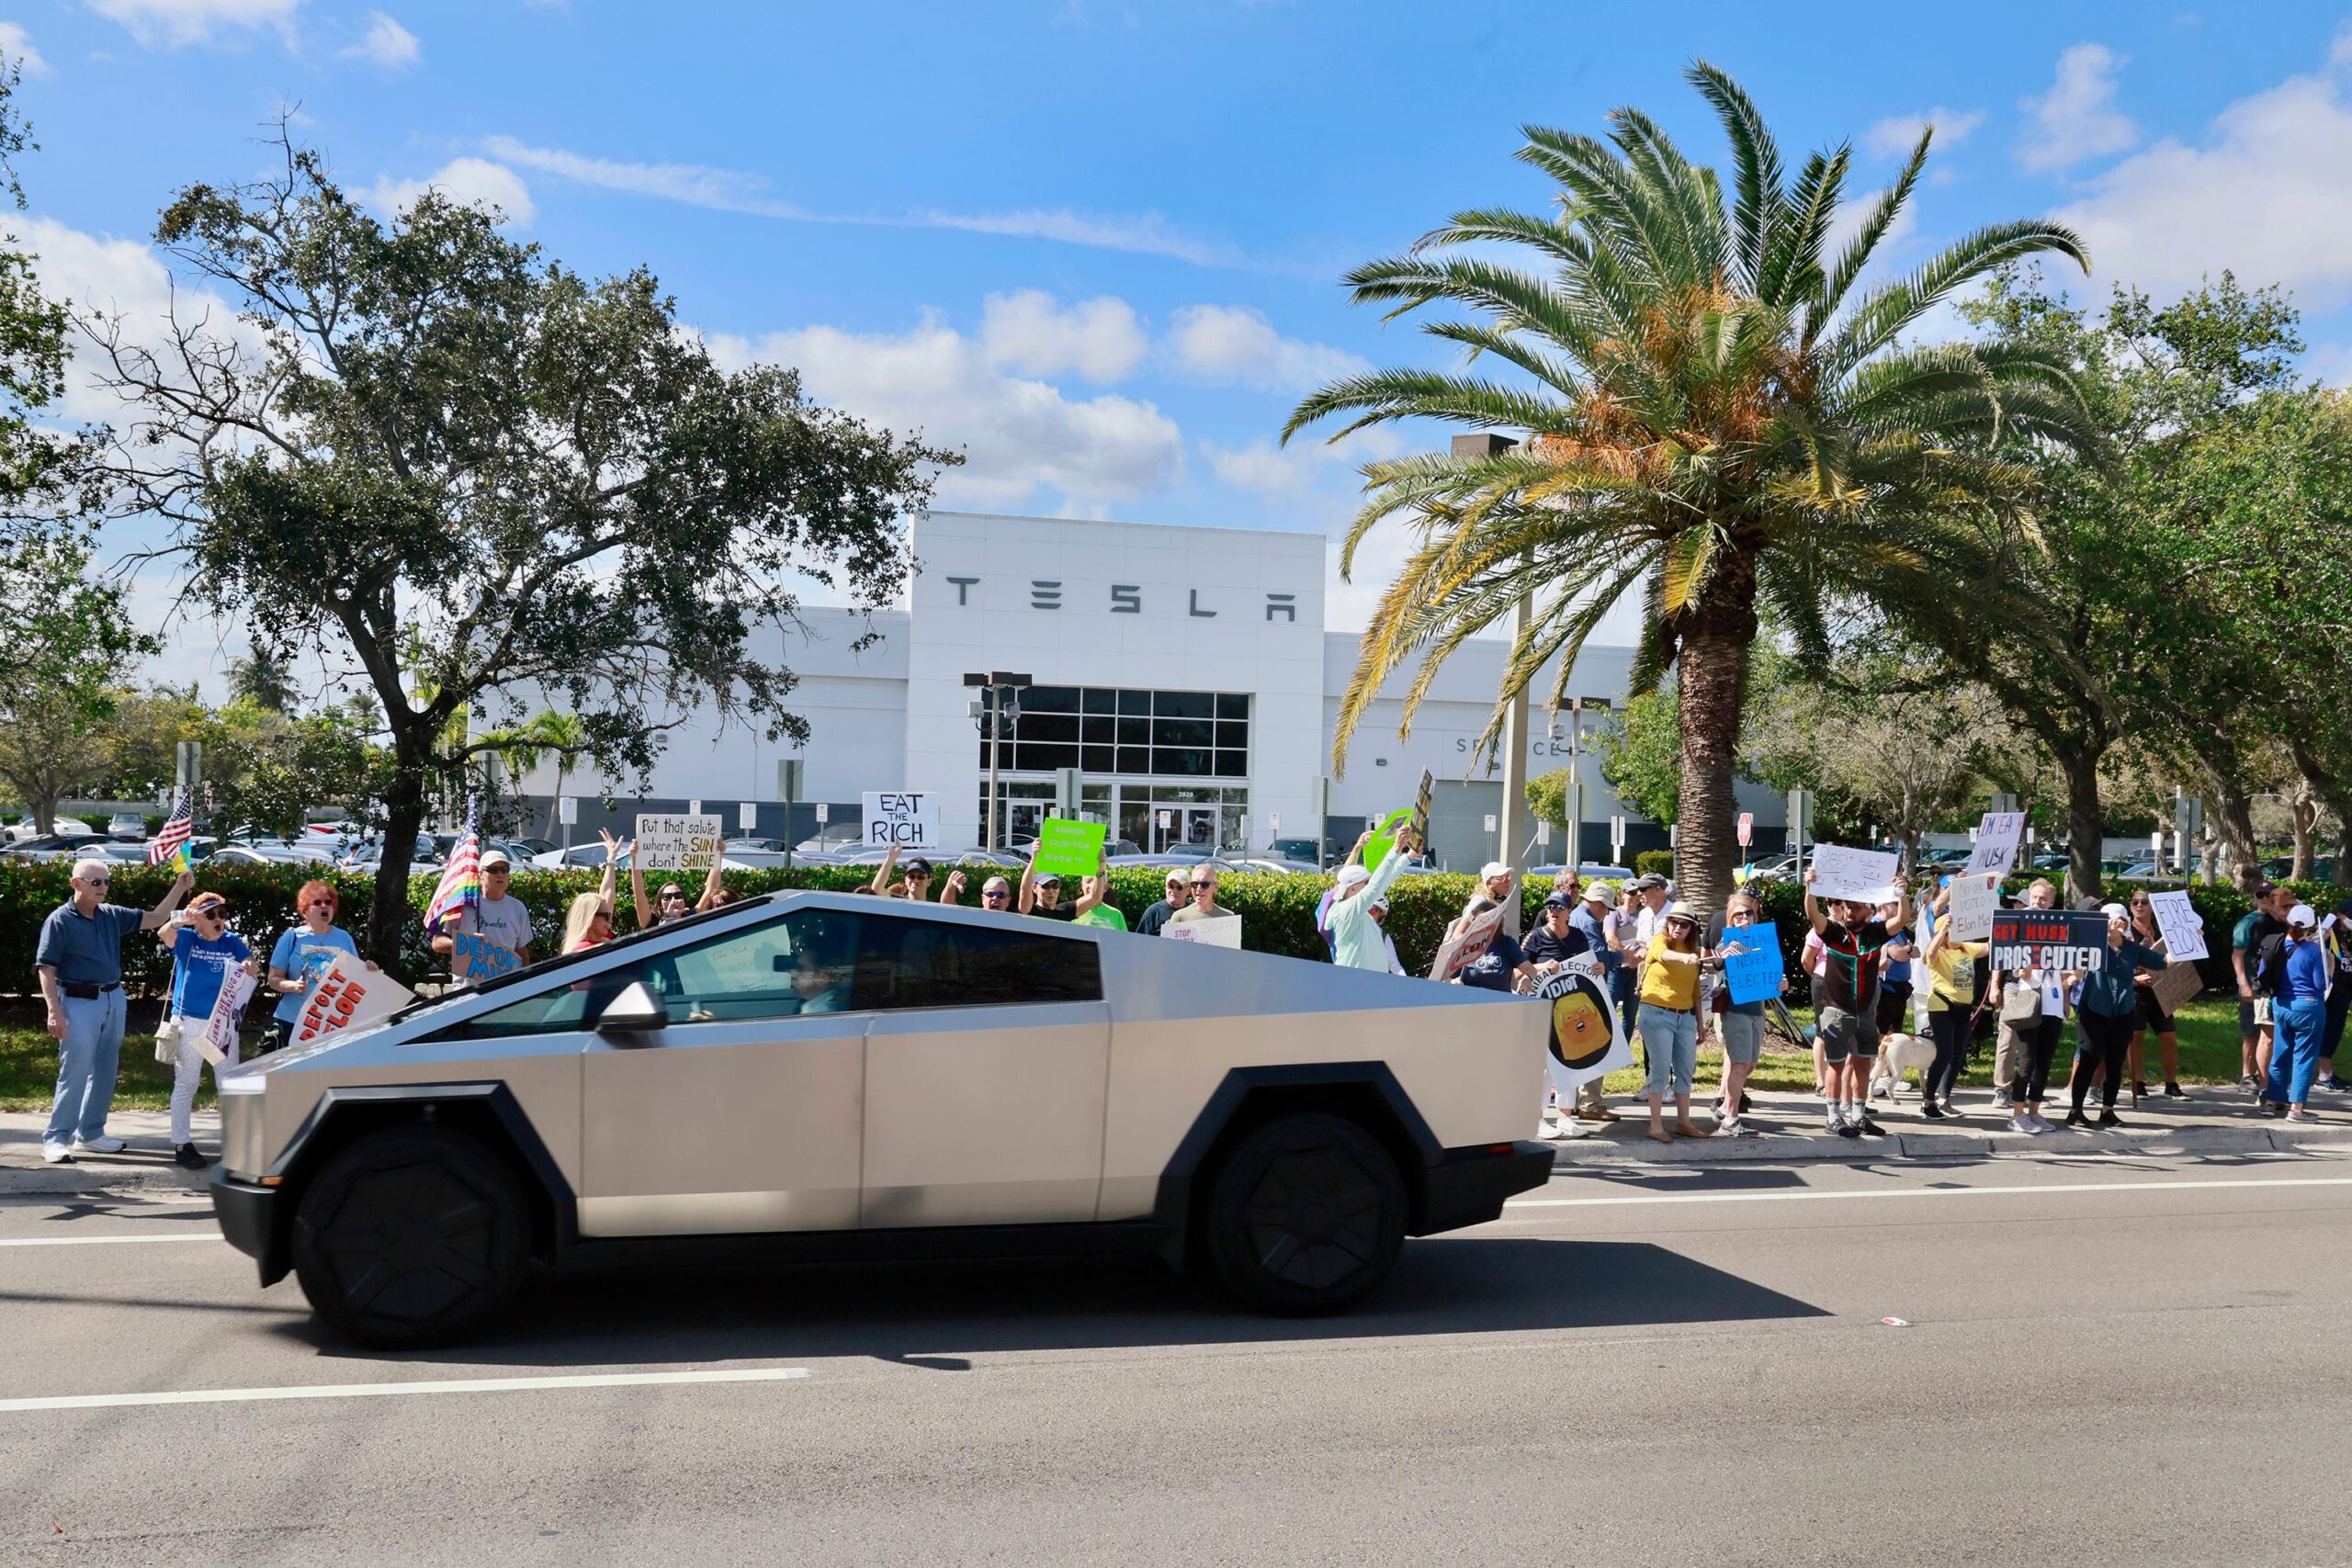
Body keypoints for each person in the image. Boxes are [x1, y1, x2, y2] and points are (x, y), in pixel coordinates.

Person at [34, 859, 196, 1165]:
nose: (103, 888)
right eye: (96, 882)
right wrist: (53, 1010)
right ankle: (55, 1138)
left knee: (106, 1070)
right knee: (76, 1071)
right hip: (78, 1001)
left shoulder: (110, 914)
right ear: (76, 884)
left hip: (113, 997)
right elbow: (46, 968)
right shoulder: (60, 920)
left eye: (106, 882)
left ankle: (91, 1133)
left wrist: (179, 886)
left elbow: (157, 918)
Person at [153, 891, 261, 1168]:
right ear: (197, 918)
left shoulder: (231, 941)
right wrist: (180, 921)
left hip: (223, 1023)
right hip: (189, 1022)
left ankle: (235, 1145)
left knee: (228, 1083)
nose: (219, 920)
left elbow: (254, 966)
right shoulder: (187, 938)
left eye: (222, 914)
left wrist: (250, 965)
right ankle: (182, 1144)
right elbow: (164, 933)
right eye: (211, 914)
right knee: (187, 1083)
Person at [1802, 867, 1906, 1139]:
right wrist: (1810, 887)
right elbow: (1813, 915)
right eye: (1847, 907)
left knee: (1863, 1064)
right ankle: (1833, 1117)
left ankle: (1859, 1115)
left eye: (1855, 908)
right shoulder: (1834, 932)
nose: (1849, 911)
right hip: (1836, 1010)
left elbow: (1902, 918)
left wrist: (1902, 893)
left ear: (1868, 911)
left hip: (1865, 1013)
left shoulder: (1875, 933)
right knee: (1835, 1065)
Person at [2064, 902, 2168, 1130]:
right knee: (2089, 1058)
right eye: (2111, 920)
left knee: (2115, 1062)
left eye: (2121, 920)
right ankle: (2075, 1111)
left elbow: (2160, 963)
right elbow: (2073, 950)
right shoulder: (2094, 947)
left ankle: (2107, 1110)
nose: (2116, 924)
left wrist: (2184, 942)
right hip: (2093, 1010)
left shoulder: (2131, 949)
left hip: (2122, 1012)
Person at [266, 881, 379, 1054]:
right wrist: (293, 986)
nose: (324, 906)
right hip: (294, 1020)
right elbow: (273, 980)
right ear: (305, 910)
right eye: (317, 903)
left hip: (331, 1022)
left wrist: (368, 968)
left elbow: (356, 977)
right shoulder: (292, 937)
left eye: (328, 902)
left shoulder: (344, 937)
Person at [1706, 890, 1783, 1139]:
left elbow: (1772, 973)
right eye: (1737, 914)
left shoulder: (1763, 939)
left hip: (1756, 1010)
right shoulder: (1730, 940)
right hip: (1736, 1009)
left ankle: (1726, 1108)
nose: (1743, 917)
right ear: (1731, 917)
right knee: (1739, 1065)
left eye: (1748, 912)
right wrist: (1725, 951)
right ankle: (1730, 1117)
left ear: (1755, 913)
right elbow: (1715, 961)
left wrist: (1782, 983)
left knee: (1748, 1065)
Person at [1637, 901, 1707, 1144]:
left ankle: (1684, 1122)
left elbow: (1696, 991)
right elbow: (1661, 954)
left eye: (1684, 924)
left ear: (1691, 929)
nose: (1677, 927)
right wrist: (1683, 958)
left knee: (1686, 1070)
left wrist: (1700, 1024)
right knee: (1660, 1070)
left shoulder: (1694, 951)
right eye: (1673, 922)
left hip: (1685, 1017)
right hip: (1657, 1013)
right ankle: (1655, 1126)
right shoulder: (1660, 941)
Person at [1991, 878, 2060, 1111]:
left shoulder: (2057, 927)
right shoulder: (2016, 922)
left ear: (2051, 903)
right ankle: (2002, 1089)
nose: (2038, 902)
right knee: (2008, 1039)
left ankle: (2033, 1091)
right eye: (2035, 897)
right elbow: (2000, 954)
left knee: (2036, 1046)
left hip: (2046, 992)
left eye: (2043, 899)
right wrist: (1994, 986)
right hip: (2014, 987)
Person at [1919, 886, 1985, 1120]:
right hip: (1942, 1007)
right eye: (1955, 931)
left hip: (1963, 1009)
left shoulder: (1967, 949)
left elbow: (1992, 947)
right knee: (1945, 1052)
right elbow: (1930, 955)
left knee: (1957, 1054)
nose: (1961, 935)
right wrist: (1943, 929)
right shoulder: (1939, 953)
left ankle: (1944, 1098)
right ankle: (1928, 1101)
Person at [430, 847, 535, 983]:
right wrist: (465, 943)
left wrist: (523, 984)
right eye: (493, 870)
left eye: (504, 870)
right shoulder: (463, 905)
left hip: (505, 990)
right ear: (481, 874)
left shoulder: (518, 908)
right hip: (468, 992)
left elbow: (522, 952)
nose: (500, 874)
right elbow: (437, 943)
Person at [2265, 903, 2329, 1122]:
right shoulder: (2314, 951)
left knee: (2280, 1052)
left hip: (2281, 1004)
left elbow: (2264, 972)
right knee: (2304, 1057)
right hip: (2308, 1005)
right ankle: (2297, 1108)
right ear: (2311, 927)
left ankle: (2272, 1100)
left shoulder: (2275, 944)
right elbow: (2320, 984)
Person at [2126, 891, 2187, 1100]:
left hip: (2161, 990)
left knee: (2169, 1037)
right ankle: (2138, 1083)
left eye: (2144, 902)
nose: (2139, 906)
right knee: (2136, 1037)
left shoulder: (2163, 929)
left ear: (2153, 907)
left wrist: (2193, 936)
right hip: (2137, 991)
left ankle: (2171, 1084)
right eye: (2135, 902)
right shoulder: (2126, 930)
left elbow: (2180, 950)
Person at [1332, 826, 1419, 970]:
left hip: (1367, 986)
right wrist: (1396, 848)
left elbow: (1381, 884)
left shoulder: (1359, 910)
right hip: (1354, 987)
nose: (1369, 885)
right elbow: (1375, 886)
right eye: (1366, 882)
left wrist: (1409, 857)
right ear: (1352, 888)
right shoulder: (1346, 909)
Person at [2233, 882, 2290, 1097]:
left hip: (2278, 986)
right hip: (2254, 983)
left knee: (2273, 1035)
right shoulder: (2248, 923)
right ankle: (2247, 1075)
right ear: (2255, 897)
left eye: (2270, 894)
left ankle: (2267, 1076)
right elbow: (2237, 955)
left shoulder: (2284, 922)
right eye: (2261, 894)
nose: (2265, 897)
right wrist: (2243, 984)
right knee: (2252, 1032)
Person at [631, 829, 724, 929]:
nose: (674, 900)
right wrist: (634, 858)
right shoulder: (651, 922)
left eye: (678, 895)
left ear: (684, 901)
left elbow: (712, 889)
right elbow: (639, 893)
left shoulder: (691, 917)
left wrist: (718, 855)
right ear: (660, 904)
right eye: (667, 897)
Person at [562, 836, 628, 953]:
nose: (611, 920)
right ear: (590, 917)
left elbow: (607, 894)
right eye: (607, 916)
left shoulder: (600, 940)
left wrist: (612, 859)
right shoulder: (580, 951)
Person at [1451, 897, 1532, 992]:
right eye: (1479, 922)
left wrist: (1527, 978)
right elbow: (1446, 978)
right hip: (1470, 1000)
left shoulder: (1507, 943)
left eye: (1488, 921)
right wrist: (1453, 982)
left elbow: (1530, 970)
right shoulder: (1465, 944)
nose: (1484, 926)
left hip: (1500, 1001)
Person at [2318, 899, 2352, 1093]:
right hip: (2332, 992)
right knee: (2328, 1032)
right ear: (2340, 914)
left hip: (2343, 991)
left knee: (2335, 1033)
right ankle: (2324, 1076)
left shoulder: (2345, 937)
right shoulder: (2329, 934)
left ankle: (2327, 1073)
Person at [1875, 894, 1917, 1037]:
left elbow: (1916, 952)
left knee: (1894, 1034)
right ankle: (1876, 1059)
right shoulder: (1878, 925)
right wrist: (1908, 950)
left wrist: (1908, 950)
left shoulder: (1898, 930)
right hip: (1885, 988)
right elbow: (1897, 954)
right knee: (1881, 1032)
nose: (1901, 908)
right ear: (1883, 905)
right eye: (1897, 904)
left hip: (1899, 990)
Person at [1070, 853, 1127, 931]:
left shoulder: (1117, 915)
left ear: (1106, 887)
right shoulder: (1072, 912)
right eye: (1088, 881)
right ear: (1082, 886)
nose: (1092, 886)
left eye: (1097, 882)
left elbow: (1125, 941)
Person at [1168, 863, 1234, 926]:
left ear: (1216, 887)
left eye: (1205, 885)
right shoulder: (1179, 917)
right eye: (1195, 884)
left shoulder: (1229, 918)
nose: (1198, 889)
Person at [1137, 869, 1191, 936]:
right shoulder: (1153, 912)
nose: (1174, 891)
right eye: (1170, 886)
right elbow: (1139, 941)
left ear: (1188, 890)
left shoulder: (1193, 911)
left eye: (1179, 887)